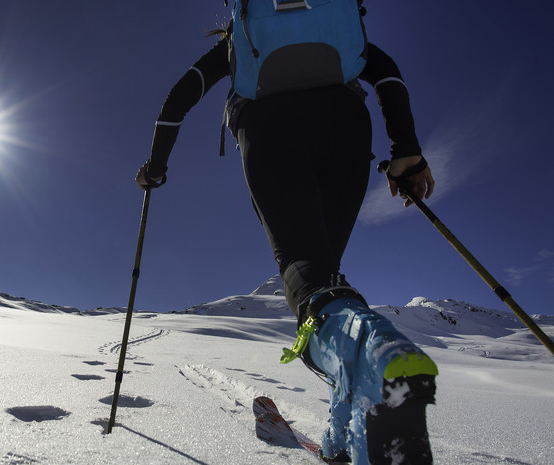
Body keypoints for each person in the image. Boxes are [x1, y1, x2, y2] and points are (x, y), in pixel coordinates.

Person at [135, 4, 438, 465]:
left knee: (309, 278)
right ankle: (341, 436)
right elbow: (386, 73)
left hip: (269, 127)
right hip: (346, 124)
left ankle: (372, 357)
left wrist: (155, 168)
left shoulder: (239, 40)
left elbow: (178, 98)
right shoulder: (335, 25)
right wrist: (407, 151)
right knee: (325, 278)